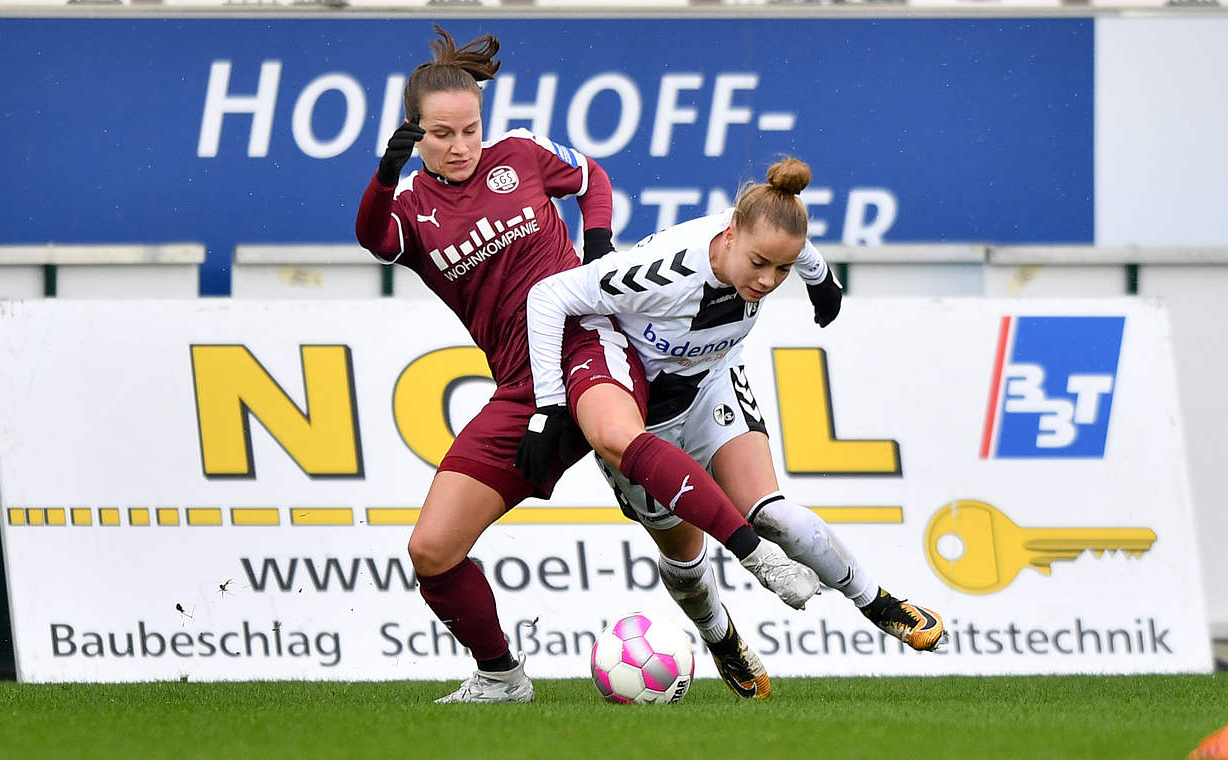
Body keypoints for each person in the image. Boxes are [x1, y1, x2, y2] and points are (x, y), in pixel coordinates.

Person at [354, 25, 818, 704]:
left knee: (614, 437)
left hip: (586, 339)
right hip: (519, 384)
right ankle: (501, 677)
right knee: (431, 551)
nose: (460, 147)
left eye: (469, 130)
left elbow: (590, 176)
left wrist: (597, 241)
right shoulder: (409, 209)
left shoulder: (521, 153)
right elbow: (374, 238)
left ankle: (758, 556)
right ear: (413, 133)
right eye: (442, 134)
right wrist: (384, 174)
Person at [521, 157, 948, 673]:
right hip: (643, 415)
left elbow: (791, 244)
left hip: (712, 381)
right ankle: (721, 639)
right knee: (684, 560)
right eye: (760, 263)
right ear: (729, 235)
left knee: (774, 513)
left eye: (782, 270)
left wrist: (819, 277)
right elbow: (547, 297)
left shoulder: (763, 231)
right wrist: (549, 407)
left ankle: (877, 603)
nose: (769, 281)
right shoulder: (658, 273)